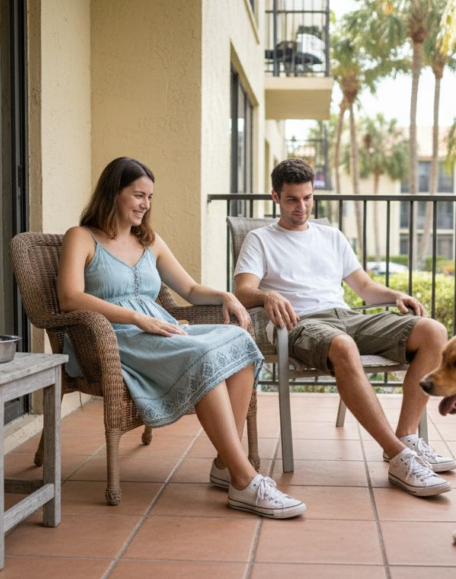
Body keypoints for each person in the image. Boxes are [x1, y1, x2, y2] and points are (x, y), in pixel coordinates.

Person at [58, 157, 305, 519]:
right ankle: (244, 480)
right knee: (200, 354)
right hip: (113, 338)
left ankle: (225, 463)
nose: (146, 204)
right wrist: (135, 317)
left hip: (160, 330)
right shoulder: (81, 237)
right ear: (113, 194)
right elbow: (69, 298)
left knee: (239, 343)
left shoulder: (149, 240)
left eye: (150, 197)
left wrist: (225, 296)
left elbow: (188, 288)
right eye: (138, 195)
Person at [234, 158, 454, 497]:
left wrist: (396, 295)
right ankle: (399, 457)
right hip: (301, 324)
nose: (301, 207)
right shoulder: (260, 239)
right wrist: (266, 296)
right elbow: (242, 291)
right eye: (292, 199)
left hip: (346, 315)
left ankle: (407, 434)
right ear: (275, 197)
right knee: (343, 346)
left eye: (307, 198)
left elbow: (364, 288)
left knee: (433, 331)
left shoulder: (331, 236)